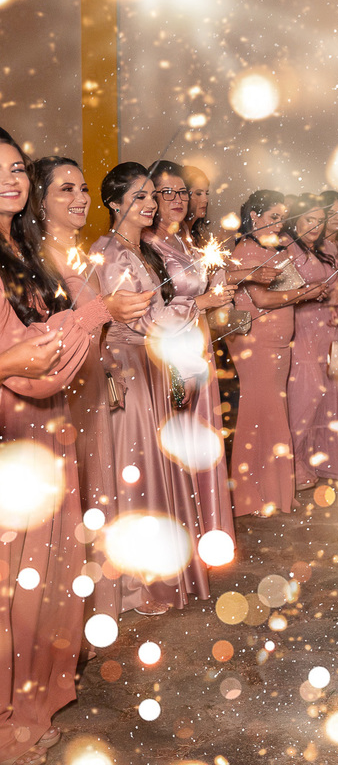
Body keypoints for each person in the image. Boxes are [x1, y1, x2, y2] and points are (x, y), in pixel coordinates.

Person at [0, 133, 117, 765]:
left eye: (15, 168)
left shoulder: (23, 254)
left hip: (48, 429)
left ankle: (31, 701)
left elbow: (47, 346)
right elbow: (24, 357)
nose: (10, 180)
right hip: (11, 436)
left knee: (44, 581)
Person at [30, 155, 152, 626]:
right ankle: (61, 615)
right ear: (39, 202)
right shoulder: (38, 261)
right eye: (66, 190)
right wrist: (104, 310)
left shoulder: (84, 255)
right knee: (67, 501)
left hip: (91, 382)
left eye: (82, 189)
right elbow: (47, 334)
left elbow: (100, 325)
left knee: (96, 493)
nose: (80, 198)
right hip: (57, 390)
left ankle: (99, 600)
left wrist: (108, 367)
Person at [92, 162, 212, 613]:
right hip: (127, 363)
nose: (149, 204)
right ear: (114, 203)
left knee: (153, 466)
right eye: (139, 197)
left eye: (151, 196)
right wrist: (198, 305)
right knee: (137, 471)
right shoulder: (109, 251)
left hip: (151, 362)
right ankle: (136, 584)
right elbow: (143, 320)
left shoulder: (141, 250)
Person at [145, 159, 235, 541]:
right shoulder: (147, 245)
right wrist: (206, 301)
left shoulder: (185, 240)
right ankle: (179, 525)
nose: (178, 199)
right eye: (168, 192)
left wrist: (220, 287)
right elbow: (153, 311)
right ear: (150, 198)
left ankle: (203, 522)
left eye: (182, 191)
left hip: (198, 342)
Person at [227, 190, 322, 516]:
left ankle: (271, 490)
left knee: (270, 416)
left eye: (282, 217)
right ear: (254, 216)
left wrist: (304, 292)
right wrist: (304, 294)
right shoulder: (245, 250)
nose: (279, 224)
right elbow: (264, 301)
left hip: (278, 342)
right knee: (261, 416)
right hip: (257, 343)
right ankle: (253, 493)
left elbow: (285, 290)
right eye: (272, 217)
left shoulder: (274, 248)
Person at [285, 193, 338, 487]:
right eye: (311, 219)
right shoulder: (285, 249)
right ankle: (292, 462)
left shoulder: (330, 248)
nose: (318, 226)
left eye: (321, 221)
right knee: (306, 397)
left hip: (333, 331)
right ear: (295, 219)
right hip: (304, 330)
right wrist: (315, 293)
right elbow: (282, 296)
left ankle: (325, 458)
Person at [182, 164, 212, 246]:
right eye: (198, 193)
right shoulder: (178, 236)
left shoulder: (193, 235)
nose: (205, 199)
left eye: (207, 193)